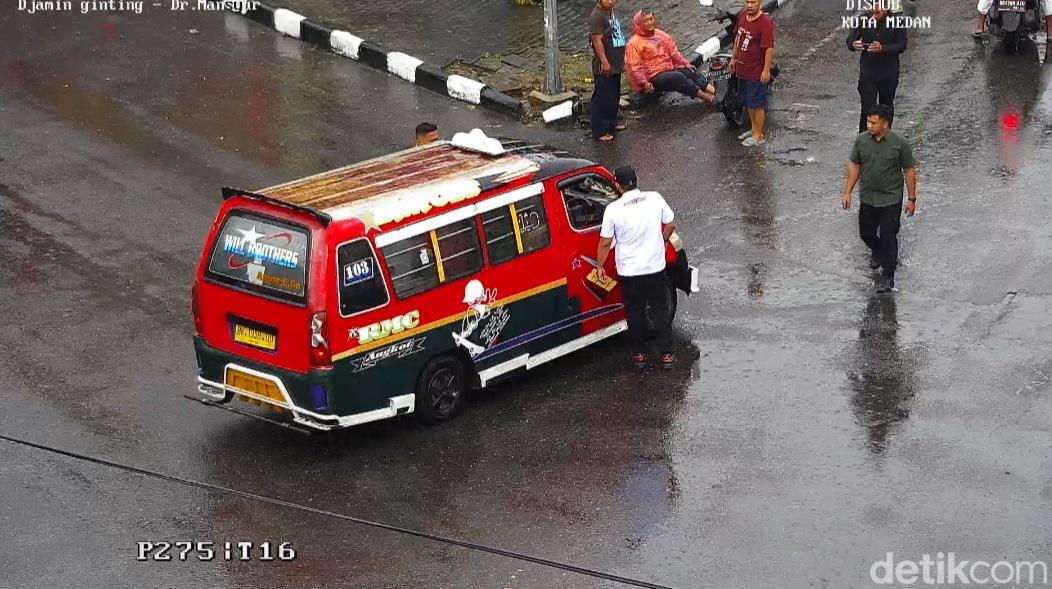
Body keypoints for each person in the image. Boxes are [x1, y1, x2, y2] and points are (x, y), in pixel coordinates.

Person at [596, 166, 677, 370]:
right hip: (655, 267)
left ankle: (640, 355)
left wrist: (599, 266)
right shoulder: (655, 198)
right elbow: (670, 224)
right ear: (636, 180)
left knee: (635, 313)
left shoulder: (613, 210)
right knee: (659, 311)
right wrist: (663, 240)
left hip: (629, 272)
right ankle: (666, 354)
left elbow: (605, 243)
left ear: (617, 185)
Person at [840, 105, 918, 294]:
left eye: (873, 123)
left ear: (885, 124)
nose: (869, 125)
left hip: (890, 198)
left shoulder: (899, 143)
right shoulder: (861, 141)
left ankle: (888, 276)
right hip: (868, 196)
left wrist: (911, 199)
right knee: (866, 233)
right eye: (868, 121)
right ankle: (879, 251)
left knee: (888, 236)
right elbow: (854, 166)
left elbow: (909, 171)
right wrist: (847, 192)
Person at [625, 10, 717, 107]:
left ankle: (716, 92)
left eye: (651, 19)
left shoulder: (660, 34)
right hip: (652, 76)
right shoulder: (634, 43)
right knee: (677, 77)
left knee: (689, 71)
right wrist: (643, 83)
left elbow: (673, 52)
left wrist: (685, 63)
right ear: (639, 23)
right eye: (646, 21)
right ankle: (709, 98)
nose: (650, 23)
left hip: (667, 69)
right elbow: (634, 67)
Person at [846, 7, 907, 133]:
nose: (873, 16)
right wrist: (853, 44)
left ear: (886, 9)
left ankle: (886, 137)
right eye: (871, 12)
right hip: (868, 72)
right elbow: (850, 39)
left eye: (877, 13)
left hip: (888, 73)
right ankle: (864, 138)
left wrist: (883, 48)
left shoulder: (897, 21)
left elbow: (901, 45)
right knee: (867, 108)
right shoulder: (863, 19)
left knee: (886, 106)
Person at [730, 0, 775, 147]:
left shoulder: (765, 22)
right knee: (749, 103)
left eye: (753, 2)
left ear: (760, 3)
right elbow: (738, 38)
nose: (750, 5)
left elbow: (769, 48)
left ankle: (758, 134)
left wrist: (766, 70)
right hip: (743, 69)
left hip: (756, 71)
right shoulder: (742, 16)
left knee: (758, 104)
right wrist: (733, 58)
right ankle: (753, 128)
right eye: (747, 2)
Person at [588, 0, 628, 142]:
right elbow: (597, 41)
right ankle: (600, 130)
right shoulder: (596, 17)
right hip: (605, 65)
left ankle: (611, 123)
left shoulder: (609, 12)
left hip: (615, 62)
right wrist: (604, 61)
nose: (611, 1)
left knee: (613, 95)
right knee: (603, 97)